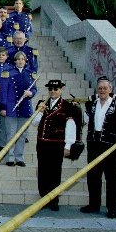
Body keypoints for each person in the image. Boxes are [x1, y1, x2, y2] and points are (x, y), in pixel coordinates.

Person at [80, 76, 116, 219]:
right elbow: (84, 120)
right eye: (100, 88)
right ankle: (93, 204)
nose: (102, 90)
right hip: (94, 144)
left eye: (105, 88)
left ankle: (112, 208)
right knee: (93, 176)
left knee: (111, 178)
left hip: (111, 146)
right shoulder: (92, 103)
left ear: (111, 89)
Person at [32, 79, 77, 211]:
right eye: (50, 89)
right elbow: (34, 123)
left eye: (55, 89)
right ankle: (43, 198)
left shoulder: (67, 106)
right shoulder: (42, 104)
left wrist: (68, 145)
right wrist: (40, 112)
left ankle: (53, 199)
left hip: (56, 144)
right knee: (42, 171)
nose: (52, 91)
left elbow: (71, 126)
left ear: (61, 90)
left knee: (55, 172)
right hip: (42, 143)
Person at [0, 51, 37, 168]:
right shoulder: (7, 73)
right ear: (15, 61)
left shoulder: (30, 74)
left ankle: (19, 157)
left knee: (22, 134)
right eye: (18, 59)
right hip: (11, 108)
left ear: (25, 61)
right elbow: (3, 92)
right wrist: (4, 107)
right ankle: (10, 157)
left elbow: (35, 89)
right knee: (10, 134)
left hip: (25, 107)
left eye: (23, 59)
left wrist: (31, 93)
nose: (20, 61)